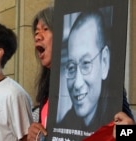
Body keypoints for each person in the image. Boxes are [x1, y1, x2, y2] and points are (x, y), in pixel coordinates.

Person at [27, 6, 134, 141]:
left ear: (104, 61)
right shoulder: (49, 94)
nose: (37, 36)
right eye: (71, 67)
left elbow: (130, 133)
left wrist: (127, 131)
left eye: (45, 29)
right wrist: (34, 133)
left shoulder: (113, 97)